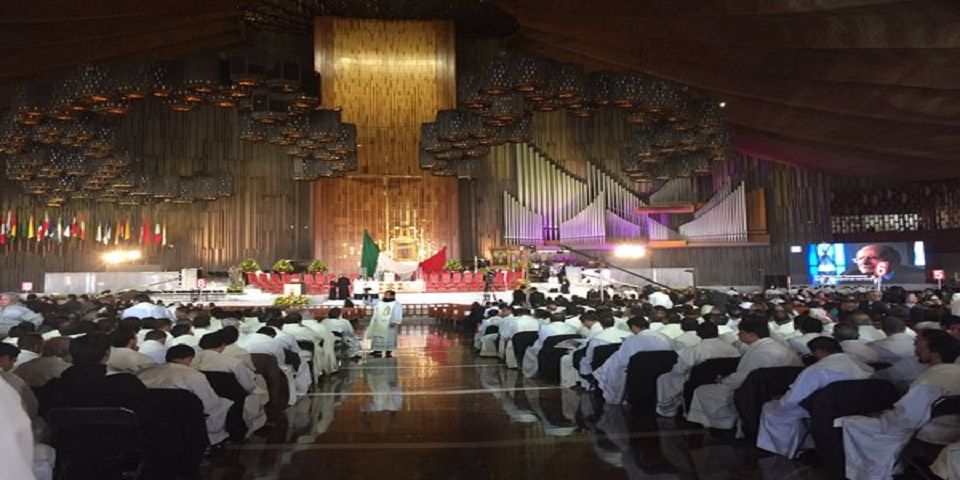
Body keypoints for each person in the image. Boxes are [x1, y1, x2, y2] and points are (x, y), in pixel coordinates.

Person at [839, 330, 960, 480]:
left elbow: (907, 418)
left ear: (934, 352)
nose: (915, 347)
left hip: (928, 431)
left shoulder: (931, 380)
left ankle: (870, 474)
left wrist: (884, 416)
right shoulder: (954, 372)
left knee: (852, 424)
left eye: (919, 344)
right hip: (952, 430)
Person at [756, 337, 874, 459]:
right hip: (859, 407)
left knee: (772, 408)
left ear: (819, 352)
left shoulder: (817, 370)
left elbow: (793, 399)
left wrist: (781, 401)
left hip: (824, 409)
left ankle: (783, 451)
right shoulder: (862, 365)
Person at [686, 317, 803, 429]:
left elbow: (743, 377)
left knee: (702, 391)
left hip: (756, 391)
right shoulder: (774, 346)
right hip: (780, 388)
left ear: (752, 335)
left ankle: (720, 424)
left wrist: (723, 380)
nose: (738, 335)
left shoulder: (761, 352)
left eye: (741, 333)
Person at [137, 344, 233, 445]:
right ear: (189, 359)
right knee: (224, 404)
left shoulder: (144, 373)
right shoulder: (193, 375)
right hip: (185, 417)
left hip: (149, 416)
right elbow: (209, 403)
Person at [39, 332, 150, 418]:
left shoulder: (53, 387)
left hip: (68, 444)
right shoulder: (127, 383)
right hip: (122, 443)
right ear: (107, 353)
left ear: (72, 355)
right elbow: (146, 414)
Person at [656, 322, 742, 417]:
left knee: (664, 378)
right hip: (725, 378)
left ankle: (668, 410)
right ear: (717, 332)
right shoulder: (732, 349)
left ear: (698, 334)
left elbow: (679, 370)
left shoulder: (695, 350)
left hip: (699, 380)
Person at [593, 317, 674, 404]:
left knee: (612, 365)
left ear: (634, 327)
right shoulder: (665, 337)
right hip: (664, 370)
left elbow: (623, 360)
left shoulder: (634, 340)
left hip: (640, 372)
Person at [842, 244, 924, 282]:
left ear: (891, 259)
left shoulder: (917, 274)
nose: (864, 262)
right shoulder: (848, 276)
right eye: (860, 258)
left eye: (873, 258)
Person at [366, 290, 403, 358]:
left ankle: (388, 351)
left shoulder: (396, 304)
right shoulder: (380, 302)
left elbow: (398, 314)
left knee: (388, 337)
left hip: (389, 324)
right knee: (377, 337)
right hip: (378, 323)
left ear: (392, 295)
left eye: (387, 295)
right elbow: (369, 302)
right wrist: (366, 295)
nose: (385, 296)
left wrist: (394, 322)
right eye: (384, 295)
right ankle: (377, 350)